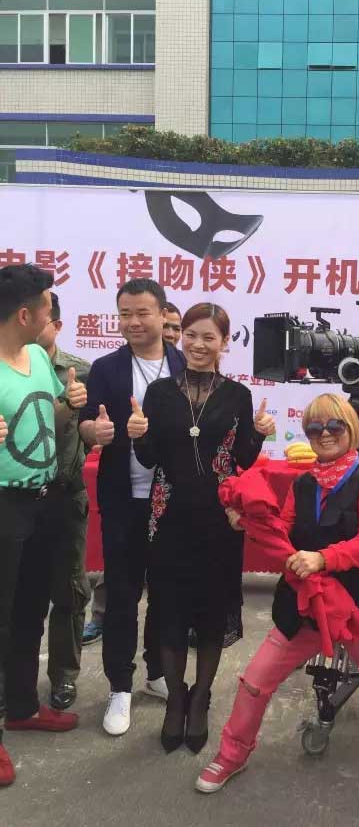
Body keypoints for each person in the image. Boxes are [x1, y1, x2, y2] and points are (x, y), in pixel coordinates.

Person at [194, 393, 359, 794]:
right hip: (306, 604)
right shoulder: (303, 483)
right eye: (314, 428)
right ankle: (232, 755)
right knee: (254, 681)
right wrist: (249, 524)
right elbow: (285, 535)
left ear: (350, 429)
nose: (324, 434)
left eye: (334, 426)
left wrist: (323, 559)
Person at [128, 302, 275, 754]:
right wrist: (138, 435)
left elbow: (242, 460)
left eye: (209, 337)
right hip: (168, 519)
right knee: (169, 611)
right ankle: (176, 698)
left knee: (212, 612)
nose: (197, 344)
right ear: (179, 336)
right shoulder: (159, 394)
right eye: (191, 334)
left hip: (219, 521)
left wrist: (260, 432)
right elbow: (150, 459)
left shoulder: (237, 395)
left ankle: (201, 698)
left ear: (224, 343)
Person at [78, 278, 186, 737]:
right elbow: (87, 422)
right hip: (124, 498)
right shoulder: (107, 368)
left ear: (163, 315)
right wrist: (94, 433)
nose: (133, 322)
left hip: (172, 501)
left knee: (166, 593)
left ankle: (157, 672)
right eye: (125, 314)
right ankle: (119, 686)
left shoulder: (184, 364)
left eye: (142, 312)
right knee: (122, 594)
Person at [0, 264, 87, 787]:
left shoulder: (36, 356)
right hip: (3, 505)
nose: (53, 317)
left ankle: (21, 707)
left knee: (31, 610)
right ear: (25, 314)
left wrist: (67, 406)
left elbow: (44, 417)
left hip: (44, 500)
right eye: (48, 309)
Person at [37, 292, 92, 710]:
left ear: (56, 325)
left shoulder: (81, 372)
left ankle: (64, 677)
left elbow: (92, 429)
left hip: (65, 494)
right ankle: (11, 680)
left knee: (70, 591)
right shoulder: (5, 369)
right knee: (15, 593)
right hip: (17, 497)